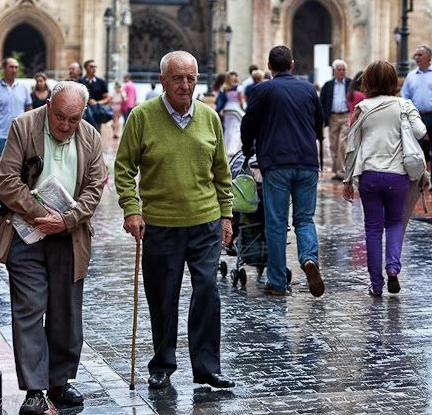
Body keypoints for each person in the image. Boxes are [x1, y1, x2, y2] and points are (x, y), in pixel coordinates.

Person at [114, 51, 236, 390]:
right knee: (163, 296)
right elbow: (124, 168)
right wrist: (131, 208)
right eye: (178, 78)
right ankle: (163, 364)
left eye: (191, 78)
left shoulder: (210, 118)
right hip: (161, 223)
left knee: (208, 291)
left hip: (205, 221)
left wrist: (226, 216)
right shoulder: (142, 117)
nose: (185, 85)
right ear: (163, 80)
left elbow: (222, 173)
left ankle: (207, 367)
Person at [0, 81, 105, 414]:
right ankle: (34, 389)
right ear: (48, 106)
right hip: (26, 235)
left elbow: (94, 189)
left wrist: (66, 220)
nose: (66, 126)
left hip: (68, 237)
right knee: (29, 308)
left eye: (73, 119)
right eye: (60, 117)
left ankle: (60, 382)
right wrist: (41, 213)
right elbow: (6, 179)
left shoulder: (91, 137)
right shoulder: (24, 126)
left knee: (66, 313)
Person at [241, 45, 325, 297]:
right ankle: (309, 259)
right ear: (292, 64)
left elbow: (249, 123)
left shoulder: (262, 89)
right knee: (304, 219)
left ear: (269, 66)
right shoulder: (309, 89)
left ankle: (277, 282)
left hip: (276, 162)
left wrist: (247, 148)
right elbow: (319, 122)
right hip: (307, 162)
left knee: (276, 223)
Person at [342, 61, 426, 297]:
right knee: (395, 223)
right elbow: (421, 132)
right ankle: (392, 266)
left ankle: (376, 284)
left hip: (369, 175)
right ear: (393, 81)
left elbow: (352, 147)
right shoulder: (404, 105)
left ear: (367, 81)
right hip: (398, 175)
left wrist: (347, 180)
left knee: (372, 230)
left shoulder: (361, 108)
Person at [400, 45, 432, 191]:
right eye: (416, 55)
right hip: (417, 117)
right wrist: (409, 113)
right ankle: (421, 179)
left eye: (420, 55)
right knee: (418, 150)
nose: (417, 57)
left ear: (429, 57)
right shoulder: (411, 76)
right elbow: (405, 96)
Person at [0, 57, 32, 163]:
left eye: (16, 67)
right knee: (1, 166)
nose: (14, 70)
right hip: (0, 135)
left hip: (20, 134)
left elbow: (29, 111)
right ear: (4, 69)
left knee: (19, 166)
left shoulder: (23, 88)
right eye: (11, 67)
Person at [319, 59, 351, 179]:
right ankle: (336, 170)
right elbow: (321, 102)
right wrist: (321, 119)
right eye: (339, 69)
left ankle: (341, 170)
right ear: (334, 71)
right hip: (332, 117)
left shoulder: (350, 83)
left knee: (342, 143)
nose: (342, 72)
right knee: (333, 145)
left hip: (346, 116)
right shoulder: (328, 85)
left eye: (344, 69)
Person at [216, 71, 245, 156]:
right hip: (236, 109)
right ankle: (232, 149)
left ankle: (225, 148)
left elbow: (222, 100)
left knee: (227, 129)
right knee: (235, 130)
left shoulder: (225, 87)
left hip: (227, 109)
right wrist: (244, 109)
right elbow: (240, 101)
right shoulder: (239, 88)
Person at [78, 59, 110, 132]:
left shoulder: (101, 82)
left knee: (96, 129)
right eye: (91, 66)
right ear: (86, 68)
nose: (94, 69)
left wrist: (97, 103)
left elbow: (107, 98)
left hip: (97, 111)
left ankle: (96, 137)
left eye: (95, 67)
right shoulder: (80, 81)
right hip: (84, 111)